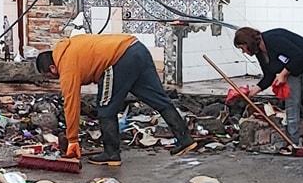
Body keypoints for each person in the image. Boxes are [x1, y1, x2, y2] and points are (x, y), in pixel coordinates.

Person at [36, 33, 196, 168]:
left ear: (52, 68)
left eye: (49, 76)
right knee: (158, 99)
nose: (53, 79)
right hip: (136, 48)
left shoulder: (66, 65)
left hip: (118, 60)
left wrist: (72, 140)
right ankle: (185, 139)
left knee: (106, 107)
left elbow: (71, 103)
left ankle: (111, 153)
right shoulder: (70, 46)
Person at [234, 25, 303, 147]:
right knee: (291, 103)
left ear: (248, 43)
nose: (244, 52)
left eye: (242, 48)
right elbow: (269, 74)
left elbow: (298, 55)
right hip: (293, 68)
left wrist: (283, 74)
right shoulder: (260, 53)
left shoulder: (274, 40)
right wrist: (255, 90)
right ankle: (293, 143)